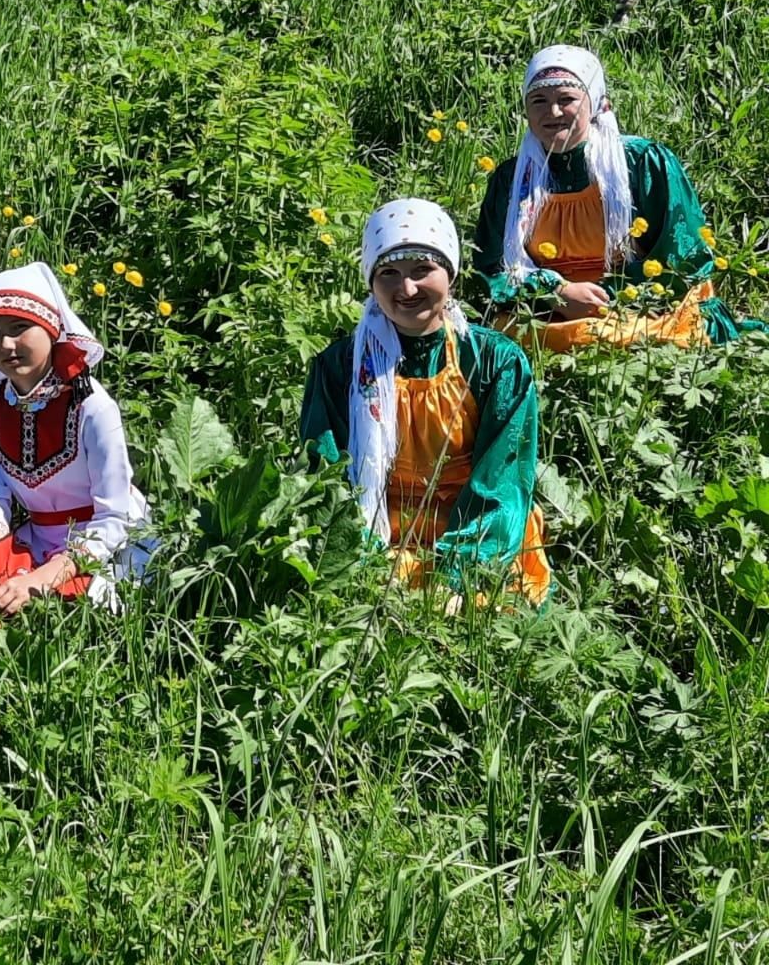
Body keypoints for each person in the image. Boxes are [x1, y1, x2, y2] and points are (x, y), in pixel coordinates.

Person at [301, 199, 551, 609]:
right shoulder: (340, 365)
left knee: (495, 596)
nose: (407, 289)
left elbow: (501, 482)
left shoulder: (494, 362)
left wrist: (457, 572)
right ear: (370, 280)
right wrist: (359, 560)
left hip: (473, 528)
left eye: (422, 270)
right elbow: (322, 475)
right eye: (388, 273)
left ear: (449, 273)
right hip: (378, 530)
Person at [0, 263, 151, 627]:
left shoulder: (91, 404)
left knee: (92, 602)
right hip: (36, 537)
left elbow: (114, 516)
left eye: (19, 328)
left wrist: (40, 579)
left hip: (108, 545)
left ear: (51, 328)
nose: (5, 345)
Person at [474, 44, 752, 351]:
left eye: (567, 100)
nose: (552, 112)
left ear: (593, 104)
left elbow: (682, 257)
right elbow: (492, 266)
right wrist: (555, 293)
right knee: (509, 335)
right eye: (539, 101)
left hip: (640, 303)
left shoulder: (642, 162)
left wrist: (603, 296)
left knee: (612, 336)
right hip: (546, 308)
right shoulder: (512, 179)